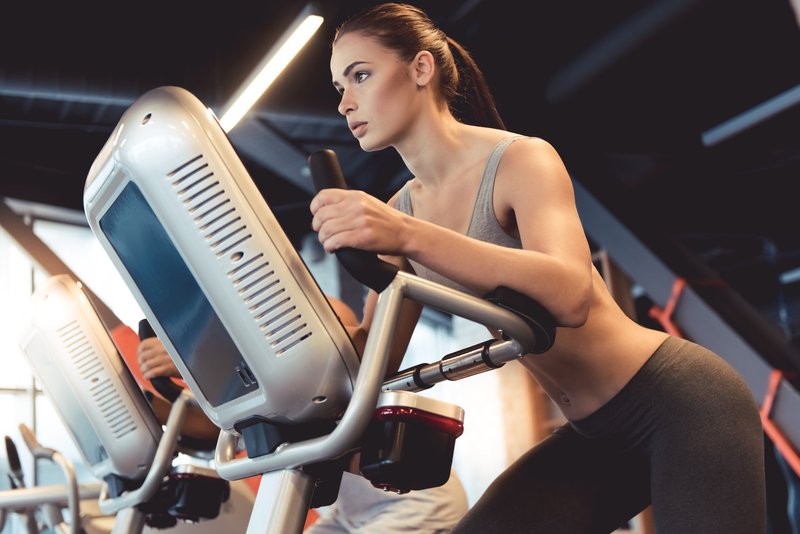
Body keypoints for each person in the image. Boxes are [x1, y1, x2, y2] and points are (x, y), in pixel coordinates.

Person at [309, 3, 767, 533]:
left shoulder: (519, 160)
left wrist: (406, 236)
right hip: (594, 438)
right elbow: (372, 363)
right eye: (339, 85)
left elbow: (570, 295)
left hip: (679, 403)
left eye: (360, 75)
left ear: (420, 69)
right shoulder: (399, 212)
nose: (345, 102)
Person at [137, 296, 469, 534]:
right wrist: (149, 407)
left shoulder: (319, 323)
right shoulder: (255, 380)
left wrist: (194, 360)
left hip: (414, 504)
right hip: (349, 516)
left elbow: (338, 344)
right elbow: (218, 429)